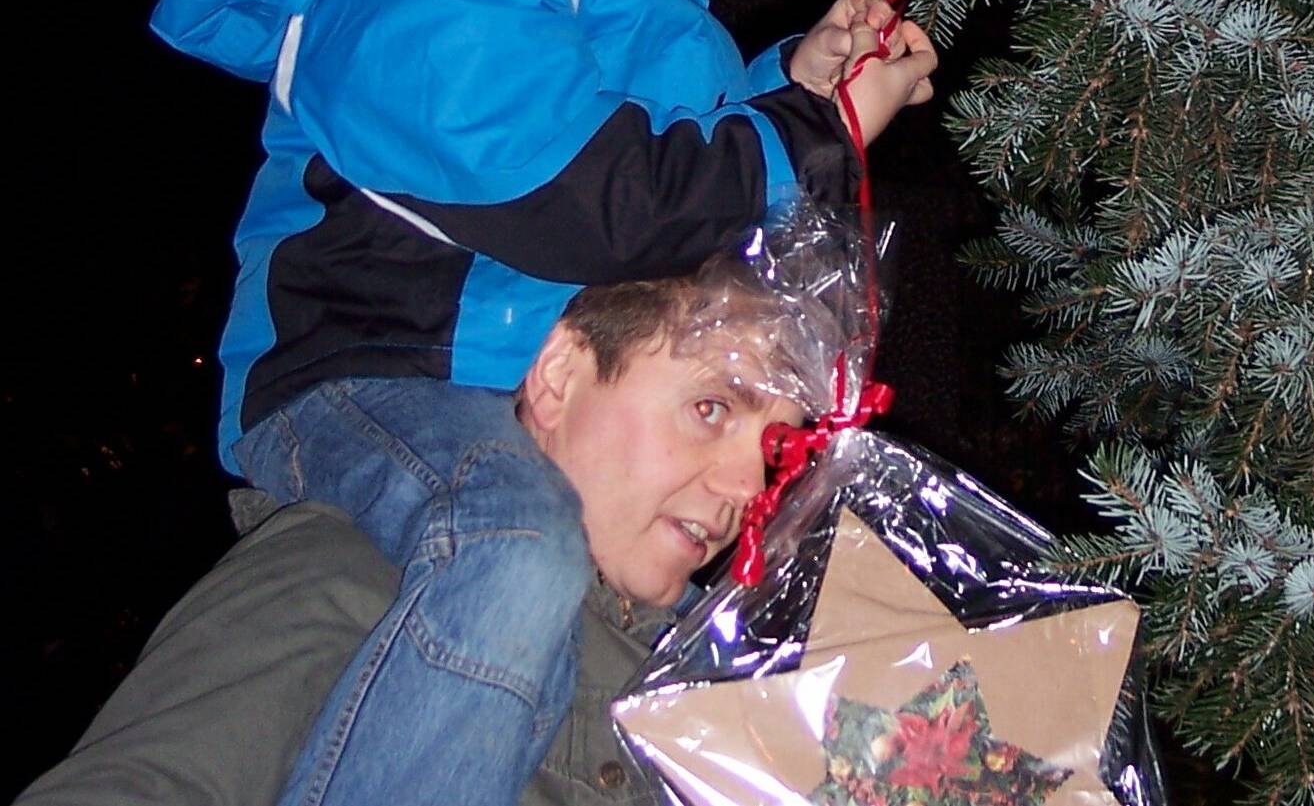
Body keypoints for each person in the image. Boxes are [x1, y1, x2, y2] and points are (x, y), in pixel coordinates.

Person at [146, 0, 937, 806]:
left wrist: (801, 71)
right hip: (374, 372)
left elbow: (691, 141)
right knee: (517, 547)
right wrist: (814, 127)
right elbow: (607, 202)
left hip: (503, 387)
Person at [23, 265, 820, 806]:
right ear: (559, 376)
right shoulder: (374, 576)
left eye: (776, 450)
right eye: (710, 408)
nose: (748, 488)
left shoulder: (720, 696)